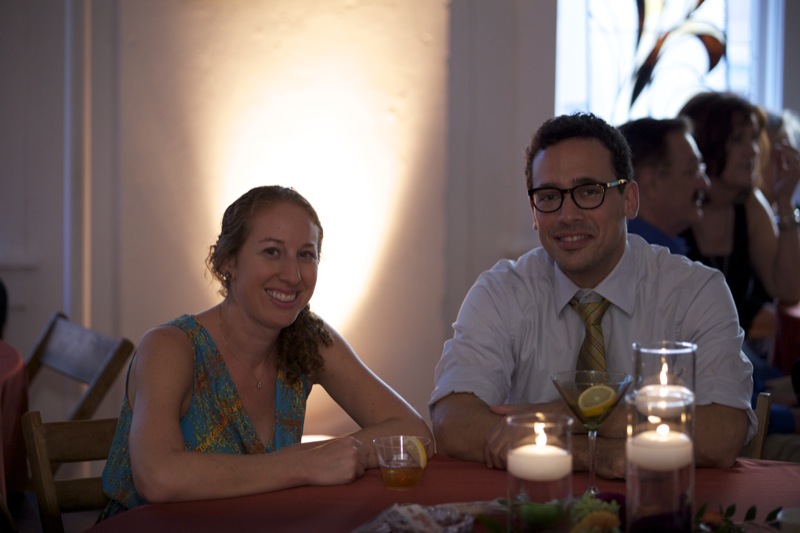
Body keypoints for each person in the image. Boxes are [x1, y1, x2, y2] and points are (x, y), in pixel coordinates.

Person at [429, 112, 754, 479]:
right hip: (534, 504)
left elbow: (723, 432)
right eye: (549, 196)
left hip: (659, 504)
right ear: (534, 212)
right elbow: (452, 421)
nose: (567, 215)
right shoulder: (502, 292)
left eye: (588, 192)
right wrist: (592, 454)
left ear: (629, 199)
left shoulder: (694, 291)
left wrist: (568, 415)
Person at [100, 185, 432, 519]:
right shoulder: (170, 346)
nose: (293, 275)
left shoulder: (308, 339)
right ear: (228, 261)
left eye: (306, 255)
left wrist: (326, 457)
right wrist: (303, 464)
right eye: (272, 252)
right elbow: (157, 478)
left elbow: (415, 433)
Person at [677, 92, 800, 362]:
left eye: (753, 138)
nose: (753, 150)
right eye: (737, 140)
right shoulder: (676, 204)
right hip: (684, 354)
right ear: (705, 146)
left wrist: (784, 201)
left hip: (734, 357)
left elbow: (788, 291)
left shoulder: (750, 205)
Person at [618, 117, 710, 254]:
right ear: (651, 184)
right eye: (691, 171)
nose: (705, 184)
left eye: (701, 169)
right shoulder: (646, 260)